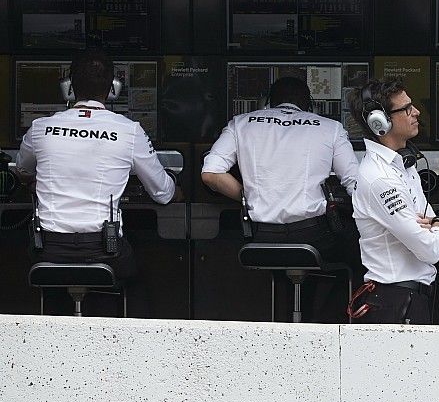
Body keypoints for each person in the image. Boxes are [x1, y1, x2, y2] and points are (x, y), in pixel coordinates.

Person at [16, 48, 176, 311]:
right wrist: (174, 189)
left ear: (68, 87)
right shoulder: (129, 131)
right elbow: (163, 193)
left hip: (48, 250)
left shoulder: (40, 128)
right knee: (139, 275)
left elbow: (22, 169)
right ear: (113, 88)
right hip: (105, 251)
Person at [201, 76, 360, 322]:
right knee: (360, 251)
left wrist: (249, 195)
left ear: (267, 103)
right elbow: (354, 183)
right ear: (309, 105)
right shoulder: (330, 128)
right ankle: (327, 322)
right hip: (314, 236)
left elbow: (211, 174)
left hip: (261, 236)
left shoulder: (241, 124)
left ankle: (285, 319)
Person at [347, 79, 439, 324]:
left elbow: (430, 216)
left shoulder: (403, 165)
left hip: (410, 298)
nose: (416, 112)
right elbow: (428, 249)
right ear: (380, 122)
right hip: (394, 303)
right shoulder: (380, 178)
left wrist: (435, 222)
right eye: (406, 108)